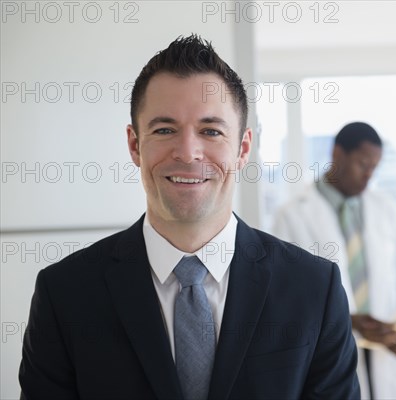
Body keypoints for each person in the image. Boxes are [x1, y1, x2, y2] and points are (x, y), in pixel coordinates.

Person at [19, 35, 360, 400]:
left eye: (210, 131)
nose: (187, 152)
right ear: (135, 144)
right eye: (164, 130)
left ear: (243, 148)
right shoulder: (65, 294)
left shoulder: (313, 289)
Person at [273, 122, 396, 399]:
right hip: (331, 353)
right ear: (337, 154)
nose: (369, 175)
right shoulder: (293, 215)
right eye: (362, 164)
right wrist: (346, 321)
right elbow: (287, 297)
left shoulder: (386, 209)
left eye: (375, 167)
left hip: (390, 358)